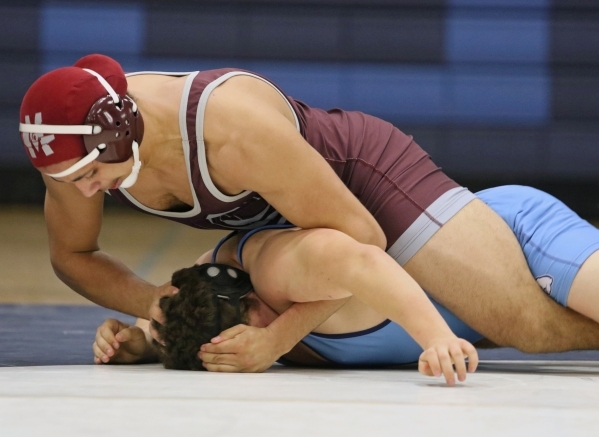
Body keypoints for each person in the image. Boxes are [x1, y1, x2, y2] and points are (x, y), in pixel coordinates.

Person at [20, 54, 599, 372]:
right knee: (488, 318)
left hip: (365, 184)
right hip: (302, 224)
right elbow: (71, 254)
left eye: (91, 176)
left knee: (522, 323)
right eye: (67, 182)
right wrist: (153, 309)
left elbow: (362, 234)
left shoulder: (227, 130)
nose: (87, 191)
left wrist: (276, 341)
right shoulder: (75, 153)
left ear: (120, 135)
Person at [93, 185, 599, 382]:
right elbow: (173, 308)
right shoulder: (212, 295)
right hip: (492, 304)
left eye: (251, 329)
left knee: (532, 328)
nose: (253, 343)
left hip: (511, 239)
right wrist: (139, 339)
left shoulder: (277, 267)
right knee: (531, 329)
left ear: (251, 297)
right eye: (229, 351)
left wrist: (435, 338)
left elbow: (364, 261)